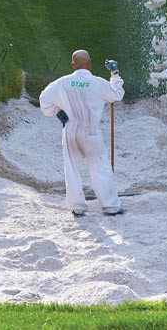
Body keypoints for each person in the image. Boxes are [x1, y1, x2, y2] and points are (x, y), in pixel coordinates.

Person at [39, 50, 125, 217]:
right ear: (90, 63)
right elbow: (117, 94)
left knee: (72, 168)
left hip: (71, 128)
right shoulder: (97, 83)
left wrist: (57, 112)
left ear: (73, 65)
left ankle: (77, 206)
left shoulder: (62, 83)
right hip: (91, 130)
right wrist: (114, 74)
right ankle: (110, 206)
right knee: (100, 167)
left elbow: (44, 100)